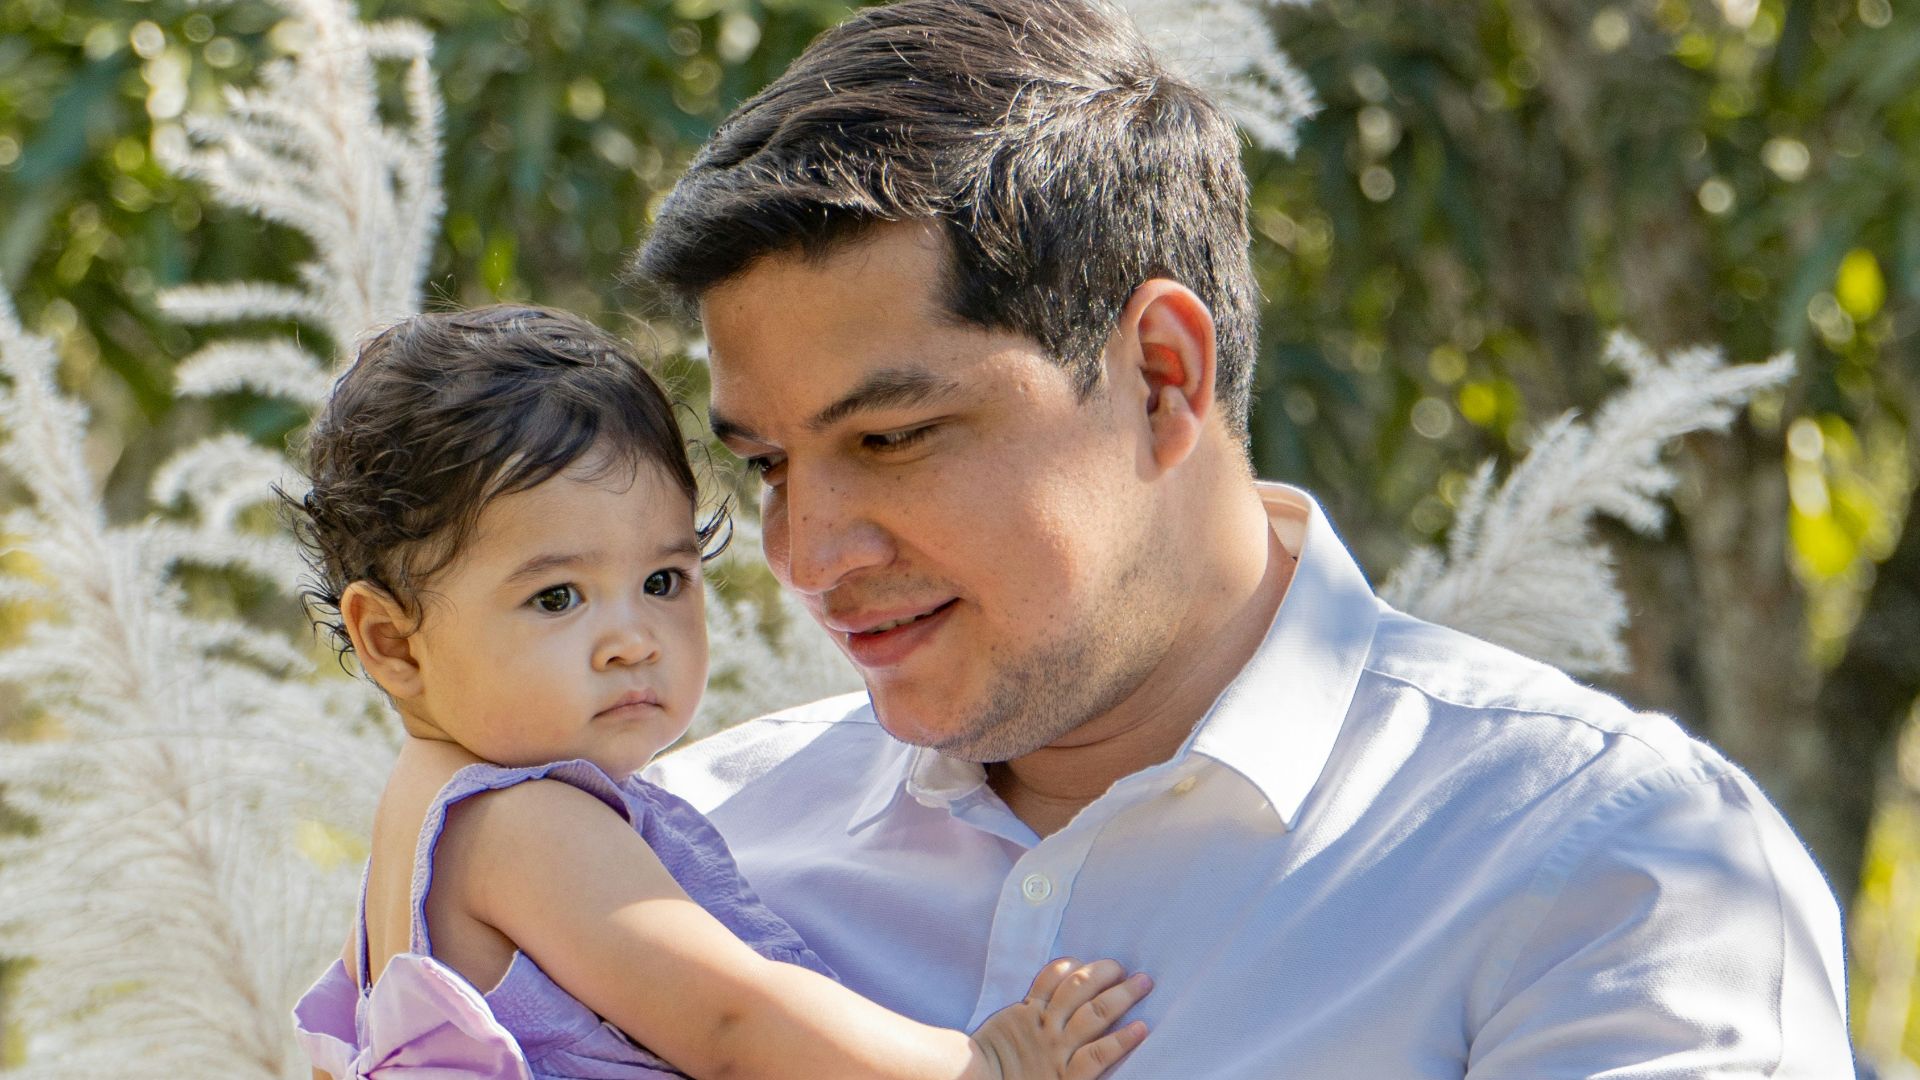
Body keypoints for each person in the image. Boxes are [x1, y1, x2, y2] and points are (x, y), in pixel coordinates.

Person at [635, 1, 1855, 1076]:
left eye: (893, 438)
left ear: (1163, 378)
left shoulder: (1608, 869)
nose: (808, 555)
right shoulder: (671, 853)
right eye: (766, 466)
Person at [285, 304, 1153, 1079]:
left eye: (664, 580)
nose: (634, 642)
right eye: (557, 598)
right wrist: (981, 1064)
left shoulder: (417, 836)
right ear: (392, 642)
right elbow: (734, 1022)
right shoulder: (521, 822)